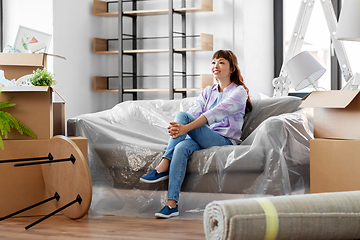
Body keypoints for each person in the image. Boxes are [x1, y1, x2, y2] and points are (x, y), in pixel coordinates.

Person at [140, 50, 252, 218]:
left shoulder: (239, 92)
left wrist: (184, 128)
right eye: (213, 62)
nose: (216, 66)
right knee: (181, 146)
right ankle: (171, 204)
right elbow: (194, 111)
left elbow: (214, 113)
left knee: (182, 117)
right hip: (205, 137)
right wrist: (181, 128)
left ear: (232, 69)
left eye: (221, 62)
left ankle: (164, 163)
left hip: (225, 141)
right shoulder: (209, 91)